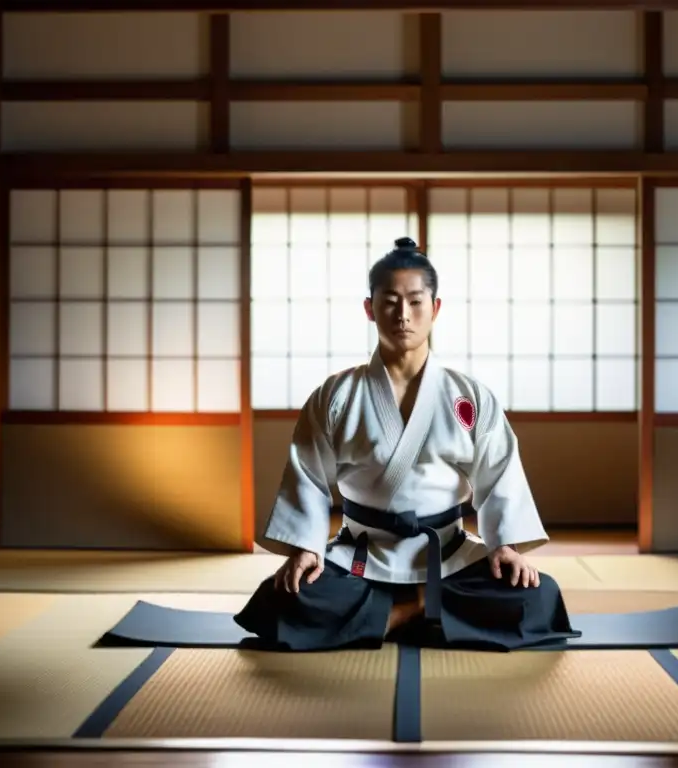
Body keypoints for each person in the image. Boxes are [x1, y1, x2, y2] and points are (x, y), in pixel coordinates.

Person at [234, 237, 579, 652]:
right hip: (359, 555)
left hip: (446, 555)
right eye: (390, 301)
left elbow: (498, 474)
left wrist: (504, 545)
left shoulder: (468, 396)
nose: (403, 315)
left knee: (536, 596)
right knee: (281, 599)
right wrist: (306, 548)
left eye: (416, 302)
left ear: (435, 308)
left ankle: (400, 611)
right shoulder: (337, 395)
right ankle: (426, 614)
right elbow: (306, 476)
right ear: (370, 308)